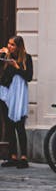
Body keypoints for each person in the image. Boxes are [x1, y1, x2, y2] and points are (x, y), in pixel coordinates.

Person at [0, 36, 34, 169]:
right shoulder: (6, 56)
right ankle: (13, 156)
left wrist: (16, 66)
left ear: (19, 47)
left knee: (19, 125)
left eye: (12, 45)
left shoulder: (27, 58)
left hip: (19, 94)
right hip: (5, 93)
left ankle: (24, 157)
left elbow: (29, 77)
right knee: (9, 126)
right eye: (9, 44)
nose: (9, 46)